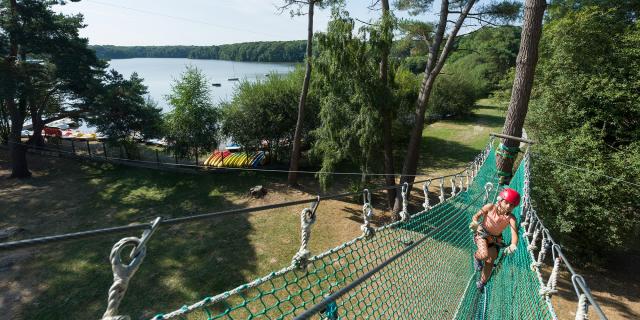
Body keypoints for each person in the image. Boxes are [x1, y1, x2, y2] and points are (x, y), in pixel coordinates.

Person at [469, 188, 520, 291]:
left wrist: (513, 245)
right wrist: (475, 223)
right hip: (482, 234)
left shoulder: (511, 218)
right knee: (484, 255)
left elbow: (514, 233)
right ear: (500, 200)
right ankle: (477, 257)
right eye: (506, 203)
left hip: (495, 240)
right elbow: (476, 216)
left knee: (490, 261)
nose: (508, 206)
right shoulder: (490, 207)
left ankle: (482, 282)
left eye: (512, 205)